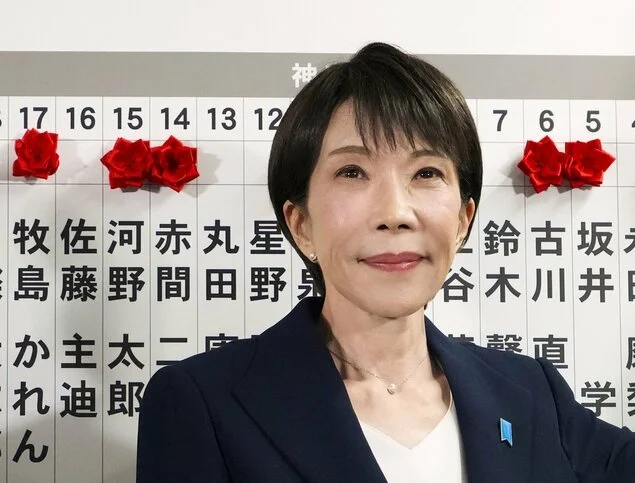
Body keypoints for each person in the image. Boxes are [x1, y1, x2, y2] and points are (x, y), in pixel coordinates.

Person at [136, 42, 635, 482]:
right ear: (301, 224)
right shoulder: (202, 403)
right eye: (352, 172)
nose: (395, 213)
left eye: (426, 172)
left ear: (463, 220)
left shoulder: (531, 392)